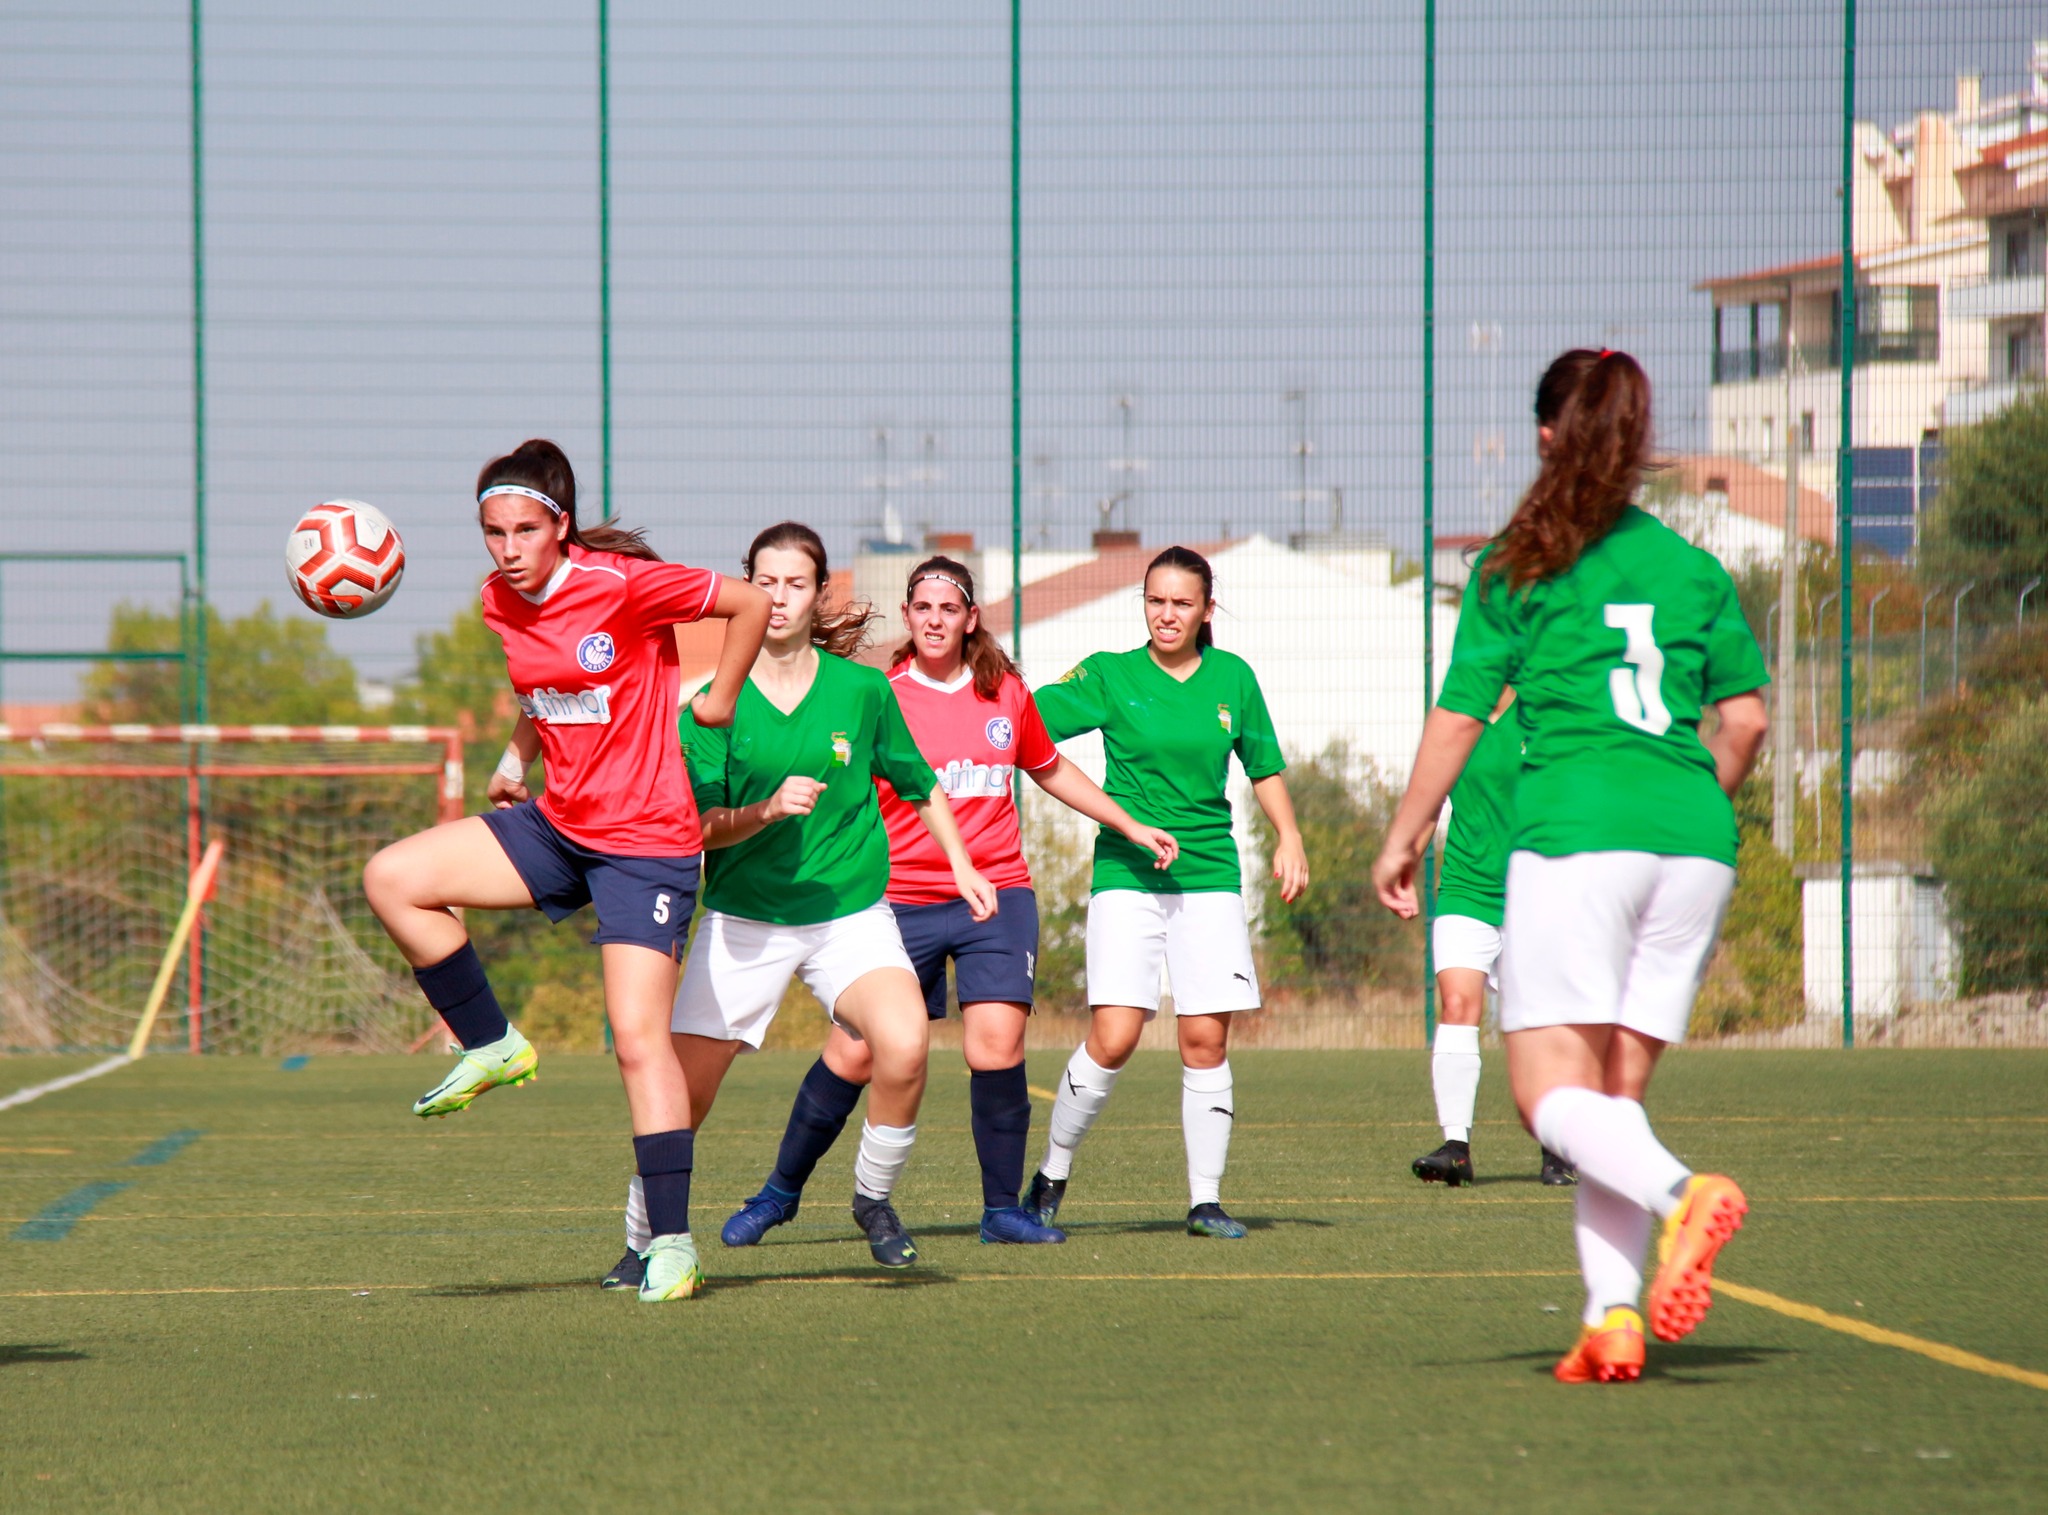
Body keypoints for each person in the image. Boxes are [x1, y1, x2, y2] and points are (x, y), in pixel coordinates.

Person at [1371, 349, 1770, 1383]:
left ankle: (1683, 1197)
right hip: (1692, 842)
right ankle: (1612, 1319)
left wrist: (1403, 834)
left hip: (1573, 838)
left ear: (1545, 436)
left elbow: (1459, 716)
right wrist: (1682, 811)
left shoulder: (1520, 560)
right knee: (1608, 1107)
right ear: (1635, 444)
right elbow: (1743, 720)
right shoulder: (1690, 567)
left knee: (1545, 1099)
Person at [362, 438, 769, 1304]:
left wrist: (723, 696)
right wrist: (516, 758)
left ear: (560, 525)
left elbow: (747, 604)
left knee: (636, 1039)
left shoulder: (620, 585)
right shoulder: (497, 601)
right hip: (559, 823)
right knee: (393, 877)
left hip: (648, 841)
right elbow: (538, 688)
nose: (506, 548)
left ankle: (671, 1245)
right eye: (491, 532)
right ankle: (492, 1043)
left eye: (522, 529)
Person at [714, 554, 1180, 1252]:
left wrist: (1126, 822)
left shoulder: (1006, 695)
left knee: (998, 1044)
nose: (935, 620)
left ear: (969, 619)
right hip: (894, 900)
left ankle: (1001, 1211)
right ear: (907, 617)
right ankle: (779, 1192)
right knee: (855, 1054)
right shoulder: (878, 692)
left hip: (995, 894)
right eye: (922, 608)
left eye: (948, 608)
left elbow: (1048, 766)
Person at [608, 522, 997, 1286]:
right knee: (680, 1100)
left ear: (821, 594)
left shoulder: (862, 690)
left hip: (847, 912)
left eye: (795, 583)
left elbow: (918, 783)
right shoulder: (713, 707)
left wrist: (963, 865)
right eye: (764, 581)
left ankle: (874, 1200)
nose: (778, 597)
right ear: (745, 589)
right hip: (744, 918)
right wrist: (764, 811)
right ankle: (640, 1239)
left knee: (907, 1041)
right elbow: (700, 830)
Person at [1024, 545, 1309, 1240]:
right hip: (1126, 874)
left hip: (1209, 875)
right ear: (1143, 603)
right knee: (1115, 1035)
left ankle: (1205, 1201)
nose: (1167, 614)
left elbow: (1264, 766)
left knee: (1205, 1038)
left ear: (1208, 610)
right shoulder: (1110, 673)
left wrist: (1290, 836)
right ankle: (1051, 1173)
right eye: (1156, 600)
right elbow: (1027, 730)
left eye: (1183, 603)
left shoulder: (1233, 677)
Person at [1408, 687, 1575, 1188]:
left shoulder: (1549, 705)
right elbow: (1428, 799)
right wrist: (1403, 865)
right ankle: (1456, 1148)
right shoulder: (1456, 716)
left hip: (1537, 893)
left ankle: (1558, 1148)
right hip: (1465, 888)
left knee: (1541, 1024)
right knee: (1458, 1005)